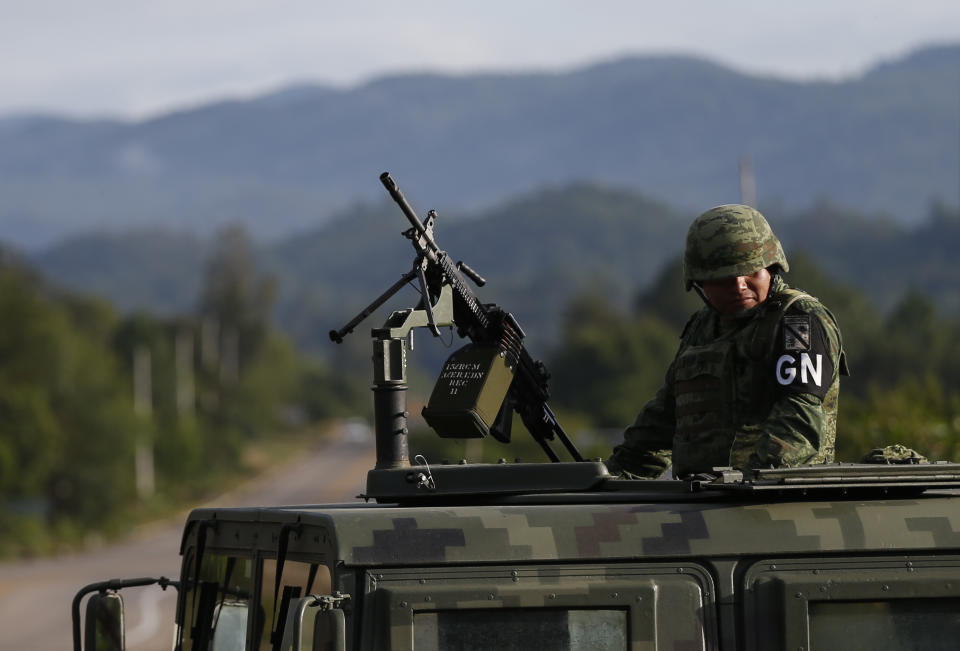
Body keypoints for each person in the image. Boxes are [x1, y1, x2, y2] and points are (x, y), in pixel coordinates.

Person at [606, 204, 848, 479]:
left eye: (750, 273)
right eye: (723, 279)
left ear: (771, 267)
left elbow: (799, 419)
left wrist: (748, 480)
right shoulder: (703, 327)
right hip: (701, 500)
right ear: (700, 283)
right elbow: (665, 417)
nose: (738, 286)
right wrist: (610, 477)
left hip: (773, 500)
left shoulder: (797, 321)